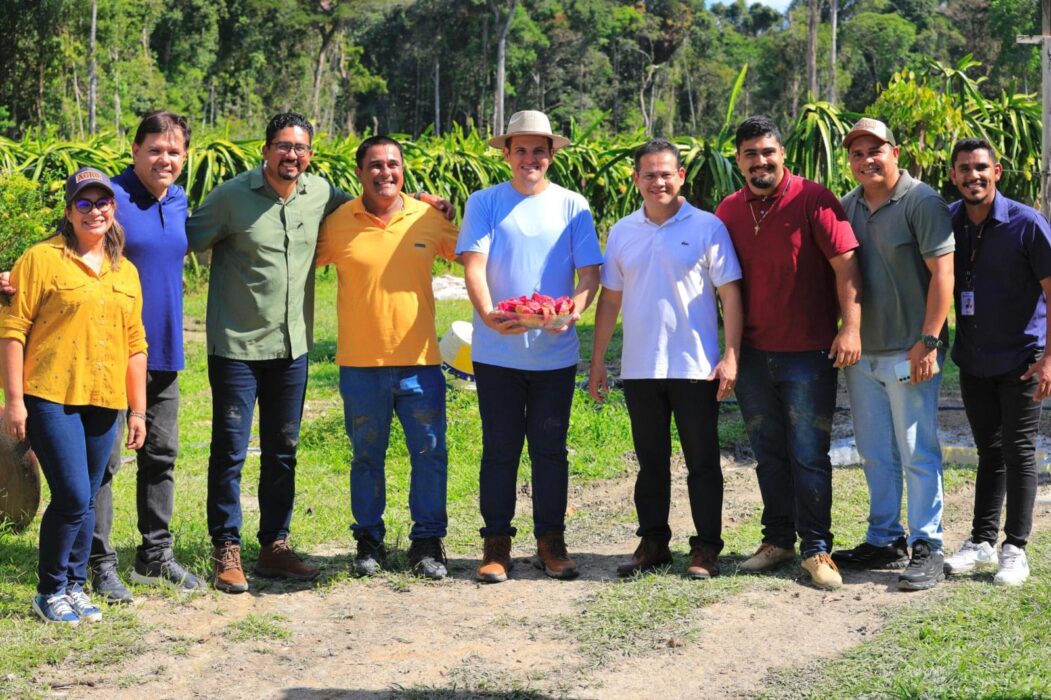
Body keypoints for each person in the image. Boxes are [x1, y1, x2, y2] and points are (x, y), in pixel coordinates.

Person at [188, 112, 451, 593]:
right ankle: (227, 547)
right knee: (231, 450)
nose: (292, 155)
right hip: (238, 348)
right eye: (283, 146)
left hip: (293, 348)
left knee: (283, 451)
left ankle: (275, 547)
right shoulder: (232, 198)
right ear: (266, 149)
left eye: (301, 148)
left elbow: (385, 208)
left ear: (311, 154)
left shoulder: (322, 196)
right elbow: (179, 241)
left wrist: (430, 203)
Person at [0, 112, 201, 602]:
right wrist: (10, 281)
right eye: (155, 149)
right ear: (134, 151)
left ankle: (153, 556)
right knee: (96, 473)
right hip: (79, 369)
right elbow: (36, 285)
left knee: (159, 456)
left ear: (185, 158)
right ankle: (96, 565)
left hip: (153, 355)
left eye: (174, 152)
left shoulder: (176, 202)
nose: (164, 159)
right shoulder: (103, 205)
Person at [714, 116, 862, 590]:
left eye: (767, 152)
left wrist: (850, 328)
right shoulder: (729, 211)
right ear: (738, 161)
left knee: (809, 454)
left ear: (783, 155)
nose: (760, 161)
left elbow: (847, 267)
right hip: (754, 354)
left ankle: (817, 548)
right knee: (768, 452)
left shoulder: (813, 199)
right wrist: (730, 351)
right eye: (750, 154)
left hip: (808, 352)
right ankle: (777, 540)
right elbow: (723, 286)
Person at [458, 110, 602, 583]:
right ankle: (496, 542)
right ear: (506, 154)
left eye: (539, 150)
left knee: (550, 449)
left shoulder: (573, 205)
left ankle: (550, 541)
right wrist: (488, 315)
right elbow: (475, 266)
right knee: (499, 449)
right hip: (496, 352)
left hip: (554, 355)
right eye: (520, 149)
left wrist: (573, 310)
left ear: (551, 155)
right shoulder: (485, 202)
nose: (529, 158)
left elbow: (589, 273)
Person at [589, 138, 743, 579]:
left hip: (695, 367)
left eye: (666, 173)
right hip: (640, 368)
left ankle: (706, 548)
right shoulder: (622, 232)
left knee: (702, 462)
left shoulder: (708, 226)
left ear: (681, 177)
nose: (658, 181)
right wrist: (599, 361)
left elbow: (731, 293)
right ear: (636, 180)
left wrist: (730, 355)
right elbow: (610, 300)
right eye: (649, 174)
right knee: (650, 462)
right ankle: (653, 542)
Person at [0, 168, 147, 623]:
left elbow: (135, 344)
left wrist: (138, 410)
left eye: (102, 202)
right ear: (69, 211)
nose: (94, 210)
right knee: (71, 494)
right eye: (84, 203)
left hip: (105, 399)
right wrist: (14, 399)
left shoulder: (125, 271)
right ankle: (49, 591)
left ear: (113, 209)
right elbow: (12, 331)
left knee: (86, 497)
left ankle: (76, 588)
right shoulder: (41, 260)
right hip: (50, 394)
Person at [316, 135, 458, 580]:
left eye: (393, 164)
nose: (385, 172)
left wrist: (450, 208)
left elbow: (475, 253)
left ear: (404, 170)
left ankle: (427, 543)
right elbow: (294, 265)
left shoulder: (427, 219)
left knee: (430, 453)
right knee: (365, 456)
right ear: (359, 172)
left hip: (420, 361)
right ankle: (369, 541)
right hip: (360, 366)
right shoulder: (337, 223)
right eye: (375, 165)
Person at [832, 118, 955, 591]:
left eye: (875, 150)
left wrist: (928, 340)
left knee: (917, 451)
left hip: (910, 351)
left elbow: (942, 274)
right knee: (874, 453)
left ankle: (928, 542)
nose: (866, 160)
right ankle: (884, 536)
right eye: (857, 153)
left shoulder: (921, 201)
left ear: (895, 151)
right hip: (863, 353)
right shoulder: (848, 205)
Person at [942, 138, 1051, 586]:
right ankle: (982, 541)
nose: (973, 176)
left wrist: (1048, 360)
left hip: (1022, 360)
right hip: (974, 360)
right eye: (964, 169)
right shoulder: (948, 222)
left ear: (997, 171)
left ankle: (1015, 548)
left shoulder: (1027, 225)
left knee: (1019, 450)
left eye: (981, 167)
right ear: (953, 176)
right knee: (988, 450)